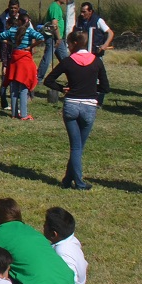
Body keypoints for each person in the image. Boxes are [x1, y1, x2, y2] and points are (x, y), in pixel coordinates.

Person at [42, 30, 109, 190]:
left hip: (71, 104)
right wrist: (92, 87)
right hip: (89, 107)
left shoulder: (68, 61)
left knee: (76, 147)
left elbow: (48, 80)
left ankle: (68, 180)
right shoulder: (97, 61)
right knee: (78, 147)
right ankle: (79, 182)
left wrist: (62, 88)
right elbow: (105, 87)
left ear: (73, 44)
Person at [43, 207, 95, 284]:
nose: (43, 226)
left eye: (45, 224)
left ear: (54, 234)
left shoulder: (62, 253)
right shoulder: (71, 240)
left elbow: (71, 282)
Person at [0, 13, 45, 121]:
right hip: (25, 59)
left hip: (15, 59)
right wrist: (31, 46)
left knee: (14, 87)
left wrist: (11, 43)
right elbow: (41, 38)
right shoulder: (29, 31)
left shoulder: (13, 30)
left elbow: (0, 36)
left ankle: (14, 113)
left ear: (19, 21)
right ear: (27, 22)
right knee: (23, 88)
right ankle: (24, 114)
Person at [0, 0, 27, 111]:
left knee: (18, 79)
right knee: (5, 78)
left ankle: (17, 105)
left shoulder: (24, 18)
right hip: (7, 52)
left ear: (18, 8)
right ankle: (4, 102)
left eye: (15, 8)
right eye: (11, 7)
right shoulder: (3, 19)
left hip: (19, 53)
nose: (13, 10)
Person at [38, 0, 70, 83]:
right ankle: (38, 79)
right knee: (47, 59)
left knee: (66, 61)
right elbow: (54, 24)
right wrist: (59, 38)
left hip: (58, 38)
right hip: (53, 38)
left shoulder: (58, 7)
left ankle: (73, 79)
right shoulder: (55, 7)